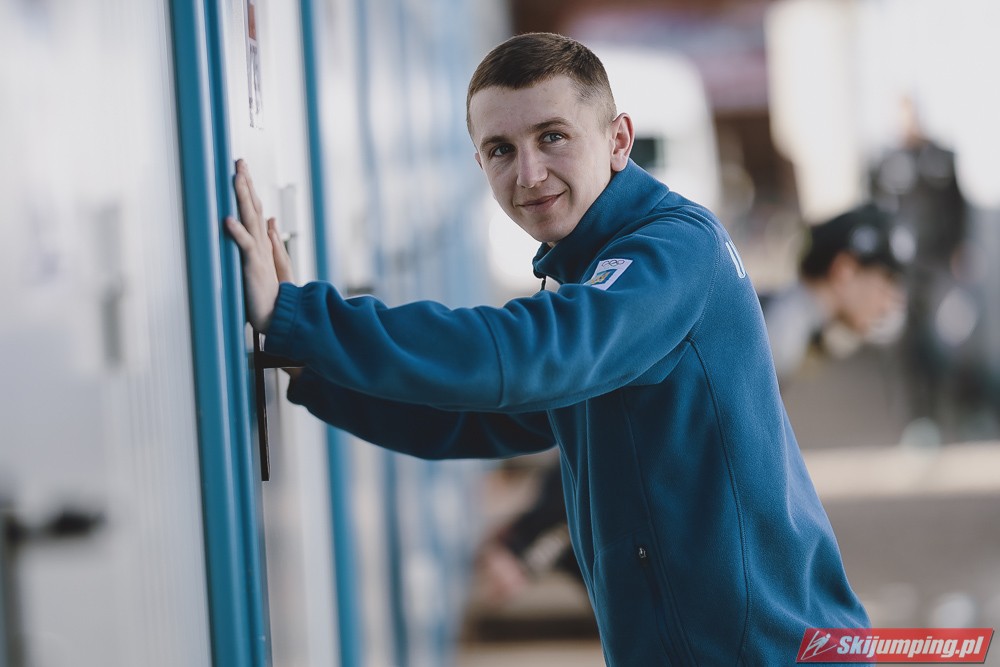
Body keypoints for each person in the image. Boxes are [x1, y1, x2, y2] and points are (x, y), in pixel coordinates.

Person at [225, 32, 870, 666]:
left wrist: (302, 317)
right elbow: (477, 418)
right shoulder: (597, 276)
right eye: (500, 150)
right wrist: (312, 367)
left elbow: (534, 352)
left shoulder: (673, 250)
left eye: (552, 136)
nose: (529, 174)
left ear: (618, 140)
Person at [763, 203, 909, 385]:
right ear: (844, 270)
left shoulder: (797, 326)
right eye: (886, 283)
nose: (886, 305)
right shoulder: (783, 336)